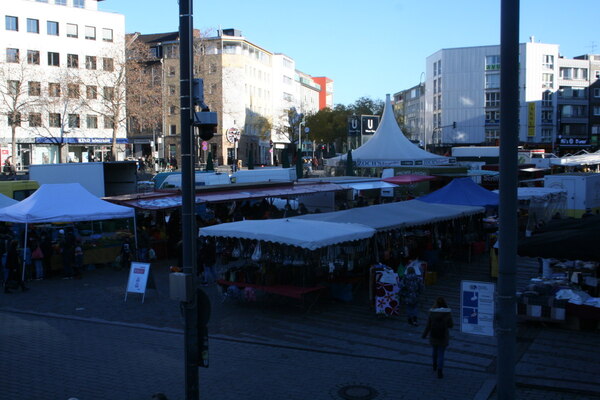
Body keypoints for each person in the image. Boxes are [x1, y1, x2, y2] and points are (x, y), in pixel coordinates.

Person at [422, 296, 453, 379]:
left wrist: (424, 335)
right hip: (443, 336)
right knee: (441, 353)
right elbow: (451, 325)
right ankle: (440, 371)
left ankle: (434, 364)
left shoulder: (432, 312)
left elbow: (428, 325)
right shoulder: (447, 313)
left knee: (434, 351)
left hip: (434, 334)